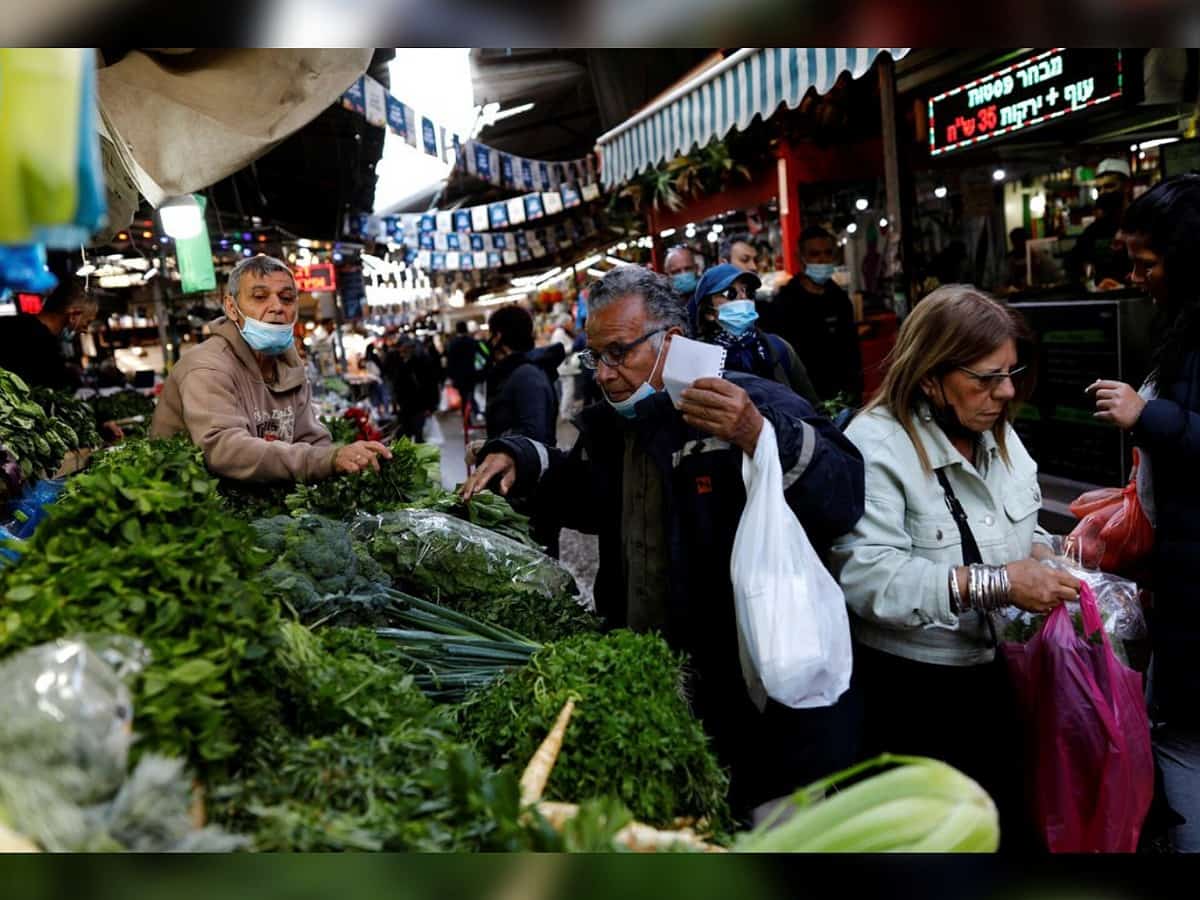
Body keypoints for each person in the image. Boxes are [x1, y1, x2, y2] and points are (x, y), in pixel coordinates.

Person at [460, 265, 865, 822]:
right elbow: (584, 496)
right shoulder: (611, 428)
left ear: (671, 342)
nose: (604, 374)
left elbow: (844, 495)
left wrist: (759, 435)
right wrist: (521, 458)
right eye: (595, 357)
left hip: (751, 703)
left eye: (619, 352)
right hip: (658, 693)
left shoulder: (743, 402)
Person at [830, 284, 1080, 852]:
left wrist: (1052, 557)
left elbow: (1012, 527)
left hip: (993, 676)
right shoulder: (876, 445)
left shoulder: (998, 429)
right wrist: (1002, 582)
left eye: (1011, 373)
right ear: (929, 376)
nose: (1006, 392)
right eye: (987, 378)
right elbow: (867, 577)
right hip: (911, 693)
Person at [1086, 174, 1200, 852]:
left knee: (1180, 738)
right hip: (1182, 576)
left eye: (1147, 262)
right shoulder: (1182, 323)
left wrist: (1148, 415)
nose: (1135, 276)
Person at [151, 254, 391, 481]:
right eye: (259, 296)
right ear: (232, 308)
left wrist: (340, 459)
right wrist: (323, 460)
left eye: (286, 298)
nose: (277, 307)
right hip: (202, 507)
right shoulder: (207, 367)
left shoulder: (288, 364)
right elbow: (225, 450)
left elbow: (311, 439)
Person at [689, 263, 820, 406]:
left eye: (749, 292)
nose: (743, 298)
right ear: (709, 313)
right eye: (730, 294)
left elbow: (813, 407)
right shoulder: (700, 361)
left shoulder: (778, 348)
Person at [767, 226, 864, 406]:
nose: (823, 260)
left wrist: (856, 390)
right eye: (815, 254)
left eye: (828, 253)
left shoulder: (840, 298)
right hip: (803, 398)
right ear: (801, 258)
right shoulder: (785, 301)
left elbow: (851, 349)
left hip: (843, 397)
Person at [0, 250, 96, 391]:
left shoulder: (12, 324)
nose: (85, 329)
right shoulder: (45, 347)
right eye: (87, 322)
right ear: (74, 314)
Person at [1067, 157, 1135, 290]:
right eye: (1099, 189)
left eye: (1109, 186)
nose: (1103, 193)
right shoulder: (1094, 230)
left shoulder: (1144, 222)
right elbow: (1073, 263)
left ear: (1127, 186)